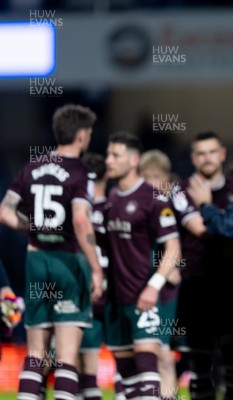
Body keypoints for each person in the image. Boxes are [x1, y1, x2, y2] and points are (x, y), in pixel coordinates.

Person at [0, 104, 103, 400]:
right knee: (67, 357)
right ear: (82, 135)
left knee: (35, 355)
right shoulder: (82, 171)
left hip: (35, 259)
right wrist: (96, 268)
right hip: (68, 261)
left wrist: (33, 227)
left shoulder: (32, 167)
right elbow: (81, 219)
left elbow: (5, 212)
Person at [103, 132, 182, 400]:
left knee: (156, 361)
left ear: (133, 159)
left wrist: (155, 284)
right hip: (115, 299)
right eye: (108, 154)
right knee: (126, 373)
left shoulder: (156, 199)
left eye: (116, 155)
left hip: (147, 297)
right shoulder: (109, 198)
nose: (109, 160)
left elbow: (175, 248)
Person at [178, 131, 233, 400]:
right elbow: (203, 231)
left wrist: (212, 215)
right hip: (195, 285)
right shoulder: (182, 191)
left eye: (211, 152)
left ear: (221, 154)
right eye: (201, 153)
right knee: (200, 364)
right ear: (194, 158)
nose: (207, 158)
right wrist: (226, 228)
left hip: (229, 285)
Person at [139, 149, 206, 400]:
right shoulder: (139, 205)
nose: (150, 182)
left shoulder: (175, 200)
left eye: (155, 176)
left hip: (175, 288)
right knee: (156, 354)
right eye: (145, 176)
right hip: (149, 285)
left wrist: (174, 266)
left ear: (166, 177)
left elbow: (191, 234)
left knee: (170, 355)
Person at [78, 152, 113, 400]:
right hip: (117, 293)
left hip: (85, 291)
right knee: (126, 364)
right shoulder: (117, 208)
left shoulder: (78, 214)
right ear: (107, 175)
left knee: (84, 370)